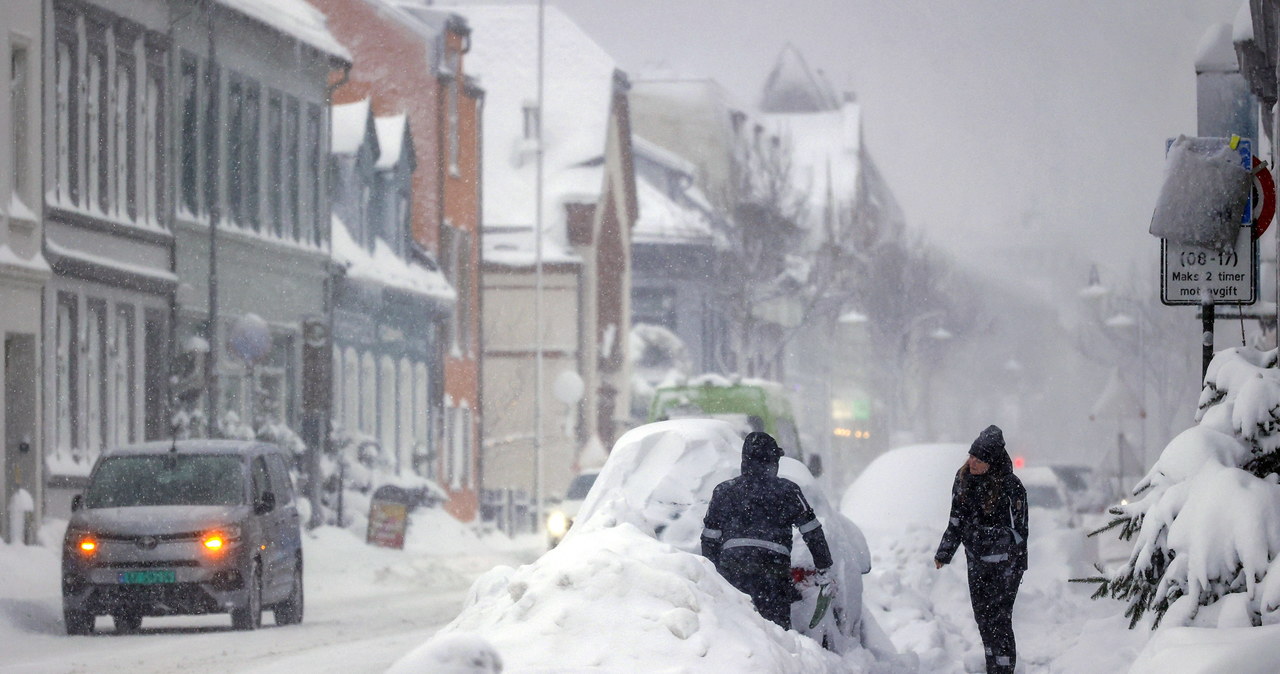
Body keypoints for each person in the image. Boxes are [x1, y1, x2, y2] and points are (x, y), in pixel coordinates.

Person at [701, 431, 833, 629]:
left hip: (733, 569)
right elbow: (812, 531)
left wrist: (713, 574)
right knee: (776, 634)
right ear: (773, 461)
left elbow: (710, 538)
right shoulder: (788, 491)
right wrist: (824, 566)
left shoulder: (724, 491)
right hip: (773, 571)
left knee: (735, 629)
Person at [934, 424, 1029, 674]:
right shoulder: (963, 478)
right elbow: (956, 518)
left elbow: (1020, 533)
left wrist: (988, 538)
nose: (972, 462)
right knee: (983, 619)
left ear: (992, 462)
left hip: (1006, 565)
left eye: (979, 459)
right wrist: (945, 552)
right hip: (976, 561)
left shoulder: (1011, 487)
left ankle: (1004, 668)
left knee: (1000, 620)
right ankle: (992, 667)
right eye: (971, 456)